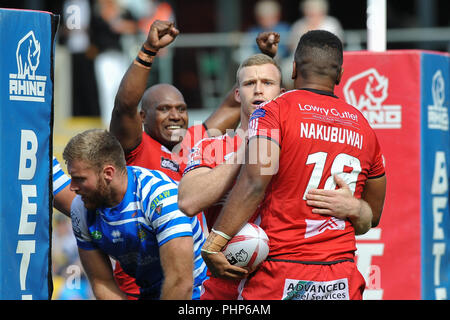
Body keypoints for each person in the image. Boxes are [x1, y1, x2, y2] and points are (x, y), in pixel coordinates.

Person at [201, 30, 387, 300]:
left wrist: (215, 245)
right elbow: (374, 215)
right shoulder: (364, 126)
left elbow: (254, 182)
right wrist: (357, 207)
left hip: (283, 273)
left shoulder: (274, 111)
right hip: (340, 278)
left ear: (295, 68)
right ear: (340, 74)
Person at [109, 19, 242, 298]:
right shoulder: (134, 147)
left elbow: (234, 103)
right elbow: (124, 105)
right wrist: (147, 51)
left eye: (181, 109)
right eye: (164, 109)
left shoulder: (192, 144)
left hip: (192, 284)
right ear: (143, 118)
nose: (175, 116)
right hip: (141, 289)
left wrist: (261, 61)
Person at [178, 37, 283, 299]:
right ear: (237, 94)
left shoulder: (294, 147)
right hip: (223, 286)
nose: (259, 91)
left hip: (280, 284)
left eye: (268, 83)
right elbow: (189, 201)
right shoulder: (212, 145)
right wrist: (246, 148)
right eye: (250, 84)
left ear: (281, 94)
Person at [63, 129, 207, 299]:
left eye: (79, 178)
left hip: (197, 293)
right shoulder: (80, 208)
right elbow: (102, 283)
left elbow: (180, 283)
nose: (72, 187)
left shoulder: (160, 196)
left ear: (108, 173)